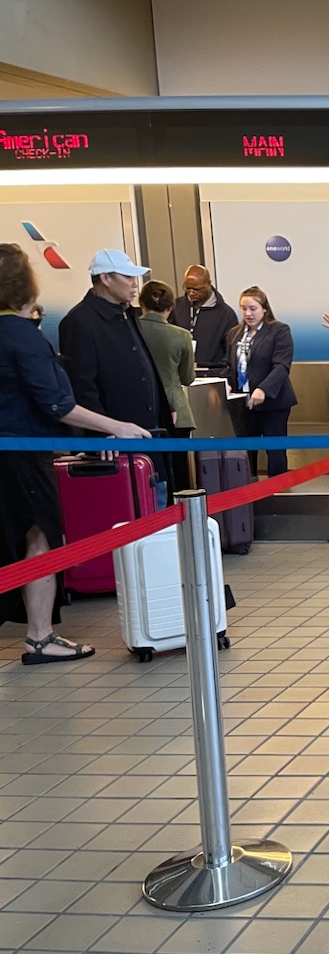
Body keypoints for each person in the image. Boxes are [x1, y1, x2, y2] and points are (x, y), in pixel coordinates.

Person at [0, 244, 152, 664]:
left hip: (10, 451)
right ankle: (40, 636)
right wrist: (113, 427)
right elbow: (57, 402)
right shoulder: (22, 336)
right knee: (39, 538)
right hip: (24, 454)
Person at [57, 250, 171, 437]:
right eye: (127, 277)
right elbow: (82, 386)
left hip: (148, 431)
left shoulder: (128, 314)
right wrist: (104, 431)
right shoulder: (79, 321)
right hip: (115, 441)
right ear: (105, 278)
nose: (135, 284)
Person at [224, 287, 297, 478]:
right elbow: (229, 365)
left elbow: (281, 366)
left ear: (264, 308)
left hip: (274, 402)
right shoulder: (234, 334)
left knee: (275, 450)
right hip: (243, 402)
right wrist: (228, 383)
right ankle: (249, 489)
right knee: (246, 450)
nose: (248, 313)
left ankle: (277, 490)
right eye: (243, 308)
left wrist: (263, 389)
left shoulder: (279, 331)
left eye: (253, 308)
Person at [138, 280, 197, 494]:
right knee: (178, 471)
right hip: (177, 411)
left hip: (139, 411)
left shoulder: (130, 331)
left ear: (141, 304)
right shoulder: (181, 335)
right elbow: (187, 378)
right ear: (170, 307)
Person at [170, 264, 239, 375]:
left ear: (209, 285)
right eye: (188, 288)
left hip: (212, 375)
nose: (191, 293)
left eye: (197, 289)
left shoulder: (226, 314)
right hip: (179, 374)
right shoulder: (175, 307)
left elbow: (231, 352)